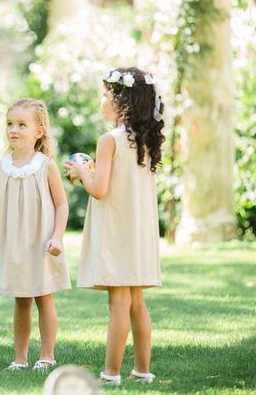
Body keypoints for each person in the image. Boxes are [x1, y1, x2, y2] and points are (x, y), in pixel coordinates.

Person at [64, 67, 165, 385]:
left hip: (118, 231)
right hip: (137, 231)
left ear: (124, 102)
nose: (101, 102)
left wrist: (82, 172)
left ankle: (110, 374)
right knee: (136, 300)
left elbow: (100, 189)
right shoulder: (145, 141)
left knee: (119, 301)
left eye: (105, 96)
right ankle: (142, 371)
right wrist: (93, 171)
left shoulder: (109, 140)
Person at [0, 98, 71, 371]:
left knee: (44, 297)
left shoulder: (46, 166)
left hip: (42, 242)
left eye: (22, 125)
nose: (14, 130)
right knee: (21, 300)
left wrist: (57, 236)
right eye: (10, 124)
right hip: (14, 245)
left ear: (39, 131)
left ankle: (47, 355)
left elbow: (61, 205)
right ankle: (20, 358)